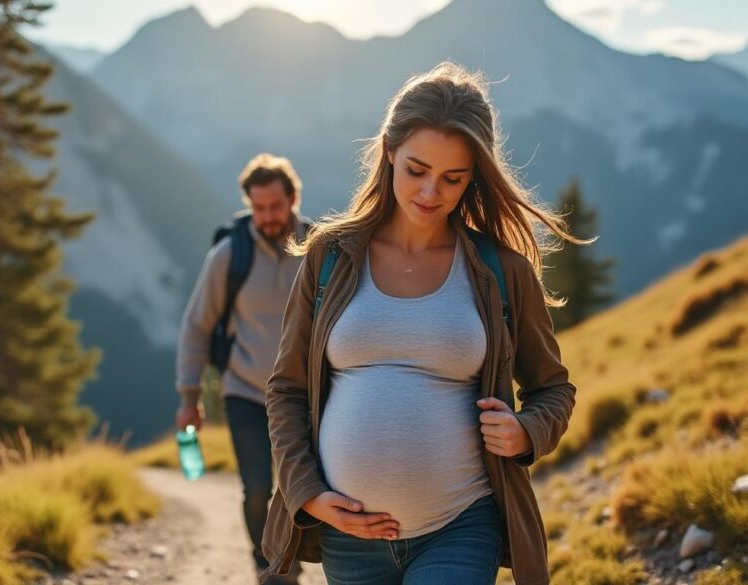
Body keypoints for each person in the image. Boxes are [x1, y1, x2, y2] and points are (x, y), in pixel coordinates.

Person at [257, 62, 581, 585]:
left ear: (474, 176)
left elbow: (554, 389)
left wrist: (525, 432)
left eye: (453, 178)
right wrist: (309, 494)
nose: (431, 192)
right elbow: (287, 390)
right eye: (417, 170)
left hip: (461, 525)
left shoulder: (501, 270)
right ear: (389, 151)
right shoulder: (331, 257)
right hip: (350, 537)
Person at [175, 153, 311, 584]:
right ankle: (270, 565)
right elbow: (197, 326)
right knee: (256, 489)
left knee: (303, 489)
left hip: (309, 396)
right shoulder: (227, 256)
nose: (268, 217)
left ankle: (299, 556)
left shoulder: (321, 246)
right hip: (245, 391)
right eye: (259, 208)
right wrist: (189, 399)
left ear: (293, 198)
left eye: (276, 206)